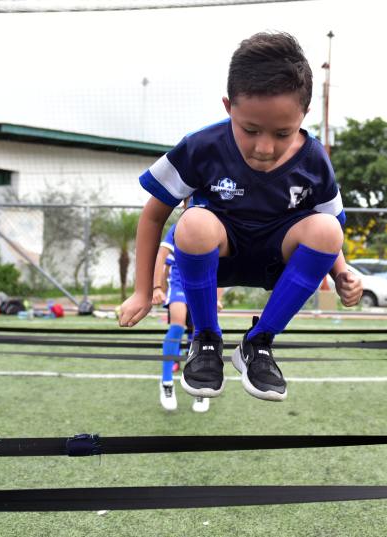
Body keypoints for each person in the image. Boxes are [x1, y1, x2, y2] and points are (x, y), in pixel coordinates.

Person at [119, 31, 362, 402]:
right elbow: (154, 216)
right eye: (250, 129)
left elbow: (328, 228)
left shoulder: (314, 160)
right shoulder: (202, 147)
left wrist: (342, 272)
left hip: (275, 261)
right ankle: (205, 340)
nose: (264, 147)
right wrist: (141, 291)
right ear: (228, 106)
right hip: (219, 257)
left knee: (329, 229)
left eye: (282, 133)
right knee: (193, 223)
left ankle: (259, 343)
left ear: (304, 115)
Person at [153, 222, 223, 413]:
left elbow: (223, 266)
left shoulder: (216, 224)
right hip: (179, 283)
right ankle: (166, 382)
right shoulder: (179, 227)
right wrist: (157, 287)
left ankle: (200, 386)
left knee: (200, 331)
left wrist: (216, 298)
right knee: (177, 325)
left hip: (203, 283)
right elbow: (162, 255)